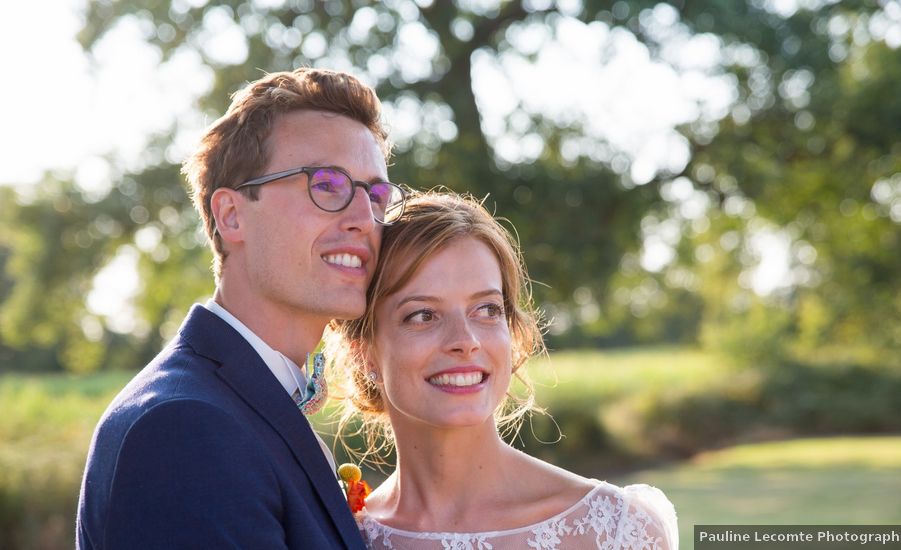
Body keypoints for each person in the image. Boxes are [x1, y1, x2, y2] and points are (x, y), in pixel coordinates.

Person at [76, 68, 407, 549]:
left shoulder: (242, 402)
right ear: (231, 215)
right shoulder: (184, 430)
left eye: (376, 195)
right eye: (327, 184)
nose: (364, 220)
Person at [326, 192, 678, 549]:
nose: (466, 341)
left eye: (487, 309)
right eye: (423, 315)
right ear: (363, 353)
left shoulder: (618, 530)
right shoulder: (338, 534)